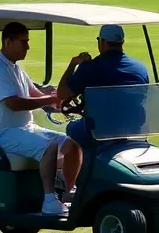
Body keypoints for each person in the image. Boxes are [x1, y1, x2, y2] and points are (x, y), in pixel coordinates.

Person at [0, 21, 76, 216]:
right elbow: (14, 103)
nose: (28, 47)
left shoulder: (16, 69)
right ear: (8, 41)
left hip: (23, 129)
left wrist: (58, 100)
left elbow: (35, 95)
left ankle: (68, 192)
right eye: (24, 42)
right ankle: (49, 200)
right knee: (49, 147)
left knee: (72, 145)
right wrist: (50, 98)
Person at [56, 24, 151, 153]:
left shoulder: (90, 68)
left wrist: (73, 64)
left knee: (72, 128)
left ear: (102, 42)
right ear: (122, 42)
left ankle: (81, 171)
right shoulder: (140, 68)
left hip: (101, 129)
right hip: (134, 126)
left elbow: (62, 93)